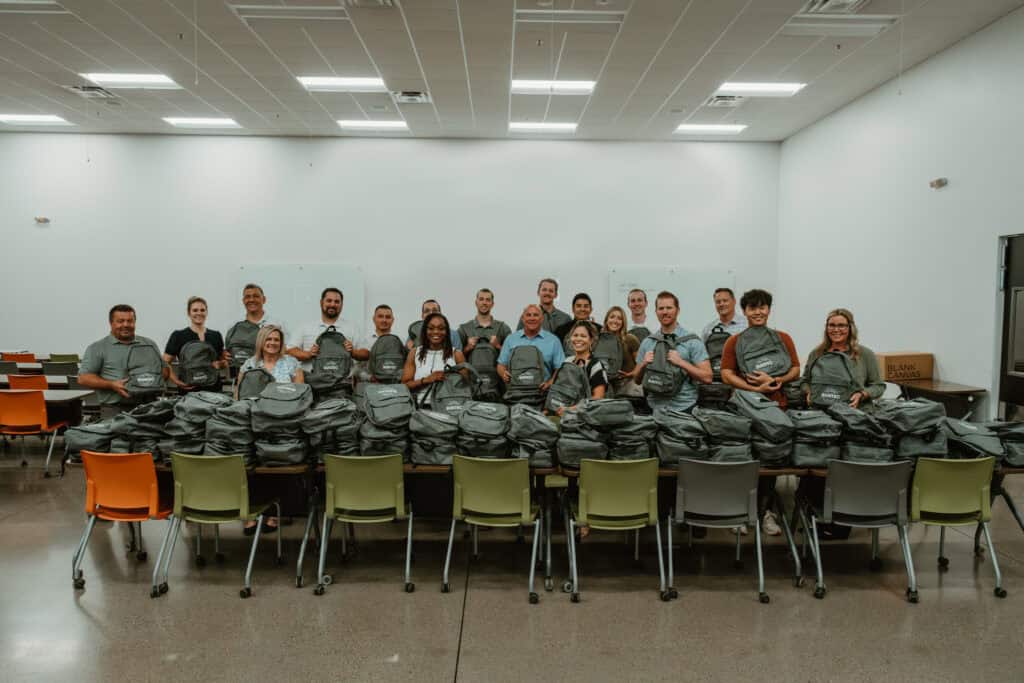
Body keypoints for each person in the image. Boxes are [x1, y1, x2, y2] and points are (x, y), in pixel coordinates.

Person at [720, 288, 801, 537]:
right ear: (744, 311)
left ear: (768, 309)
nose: (758, 312)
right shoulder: (735, 341)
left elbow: (796, 369)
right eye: (753, 308)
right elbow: (726, 374)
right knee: (745, 461)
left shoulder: (783, 338)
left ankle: (765, 512)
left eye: (762, 307)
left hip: (777, 409)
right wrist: (755, 386)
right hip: (746, 410)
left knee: (770, 463)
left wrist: (776, 379)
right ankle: (740, 513)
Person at [78, 305, 168, 419]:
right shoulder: (97, 348)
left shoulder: (149, 344)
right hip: (114, 410)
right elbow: (83, 378)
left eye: (130, 321)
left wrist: (154, 379)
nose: (125, 325)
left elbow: (164, 370)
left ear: (135, 322)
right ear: (111, 323)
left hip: (149, 407)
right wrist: (111, 384)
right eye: (120, 321)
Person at [634, 291, 711, 412]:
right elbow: (636, 380)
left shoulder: (692, 341)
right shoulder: (648, 342)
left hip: (684, 408)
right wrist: (643, 364)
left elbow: (707, 377)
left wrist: (681, 362)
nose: (665, 312)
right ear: (656, 312)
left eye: (669, 308)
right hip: (653, 408)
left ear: (677, 310)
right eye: (661, 308)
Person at [801, 308, 885, 410]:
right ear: (826, 328)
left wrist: (862, 394)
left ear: (850, 328)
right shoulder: (816, 353)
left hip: (854, 414)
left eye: (841, 325)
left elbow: (879, 386)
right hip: (820, 413)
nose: (836, 330)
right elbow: (804, 381)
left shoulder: (865, 354)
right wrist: (809, 392)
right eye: (832, 325)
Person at [163, 296, 227, 393]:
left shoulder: (216, 335)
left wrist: (220, 364)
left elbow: (224, 362)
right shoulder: (178, 335)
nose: (199, 313)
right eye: (195, 310)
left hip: (214, 390)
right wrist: (177, 382)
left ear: (206, 312)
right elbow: (164, 362)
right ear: (189, 313)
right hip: (189, 391)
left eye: (202, 310)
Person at [401, 312, 466, 407]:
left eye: (441, 328)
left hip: (449, 408)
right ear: (425, 331)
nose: (436, 332)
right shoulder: (414, 353)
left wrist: (449, 380)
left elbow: (465, 388)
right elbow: (404, 386)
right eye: (431, 328)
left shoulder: (457, 354)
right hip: (421, 408)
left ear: (447, 331)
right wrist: (426, 380)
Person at [287, 287, 358, 371]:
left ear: (341, 304)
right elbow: (290, 351)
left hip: (343, 381)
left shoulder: (352, 327)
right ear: (321, 302)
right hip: (312, 381)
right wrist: (309, 354)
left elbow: (366, 353)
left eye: (337, 302)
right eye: (329, 300)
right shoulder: (305, 327)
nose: (332, 304)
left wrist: (352, 352)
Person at [498, 304, 566, 388]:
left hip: (542, 394)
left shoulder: (553, 341)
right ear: (523, 319)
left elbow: (560, 368)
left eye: (536, 315)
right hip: (515, 392)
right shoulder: (511, 339)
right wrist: (503, 373)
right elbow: (501, 365)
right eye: (528, 315)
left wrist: (550, 382)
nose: (532, 318)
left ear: (542, 319)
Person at [551, 320, 609, 415]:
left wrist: (571, 409)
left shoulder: (596, 365)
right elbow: (557, 391)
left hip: (585, 417)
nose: (578, 339)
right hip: (562, 411)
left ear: (591, 340)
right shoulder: (567, 362)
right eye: (575, 335)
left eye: (583, 336)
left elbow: (598, 399)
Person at [224, 283, 287, 369]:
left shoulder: (277, 324)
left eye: (256, 296)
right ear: (243, 301)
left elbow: (286, 350)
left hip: (270, 373)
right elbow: (227, 351)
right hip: (239, 375)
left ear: (264, 299)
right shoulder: (234, 325)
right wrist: (224, 355)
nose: (251, 300)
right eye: (248, 297)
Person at [236, 325, 303, 396]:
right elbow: (238, 393)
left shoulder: (292, 362)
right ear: (261, 341)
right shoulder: (250, 364)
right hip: (255, 406)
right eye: (268, 339)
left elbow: (300, 393)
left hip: (284, 405)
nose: (273, 343)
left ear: (281, 343)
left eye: (276, 340)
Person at [457, 288, 511, 357]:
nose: (484, 303)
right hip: (470, 368)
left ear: (492, 304)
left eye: (488, 300)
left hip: (495, 368)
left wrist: (498, 346)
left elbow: (512, 357)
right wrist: (468, 347)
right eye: (481, 299)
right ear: (476, 302)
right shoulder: (463, 329)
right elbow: (453, 358)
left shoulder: (503, 328)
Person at [601, 306, 642, 396]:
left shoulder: (630, 339)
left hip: (629, 385)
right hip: (608, 386)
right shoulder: (600, 341)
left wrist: (633, 373)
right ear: (606, 320)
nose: (615, 321)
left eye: (619, 318)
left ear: (623, 322)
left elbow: (641, 362)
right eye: (612, 317)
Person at [352, 304, 397, 383]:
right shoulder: (364, 341)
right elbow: (356, 370)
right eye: (380, 316)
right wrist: (369, 378)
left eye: (388, 317)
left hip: (394, 386)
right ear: (374, 319)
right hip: (369, 388)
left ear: (393, 320)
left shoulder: (399, 341)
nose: (384, 320)